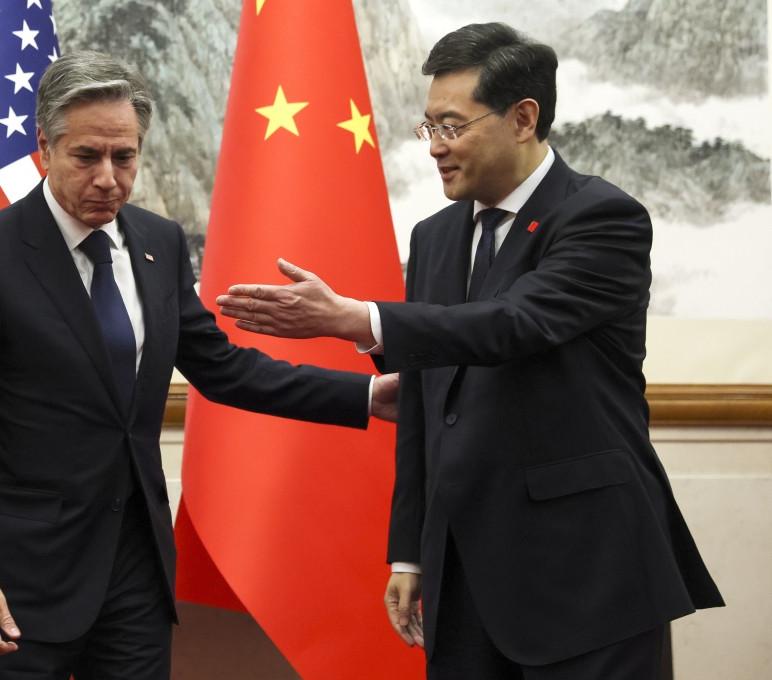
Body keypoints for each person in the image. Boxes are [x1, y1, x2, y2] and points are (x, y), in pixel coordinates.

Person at [217, 22, 723, 680]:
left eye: (451, 126)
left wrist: (359, 318)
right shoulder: (435, 237)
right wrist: (409, 553)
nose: (434, 148)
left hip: (586, 576)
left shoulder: (601, 218)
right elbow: (428, 407)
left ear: (522, 118)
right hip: (463, 581)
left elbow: (514, 323)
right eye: (428, 127)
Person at [0, 50, 397, 680]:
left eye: (124, 156)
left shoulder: (158, 243)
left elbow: (225, 369)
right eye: (87, 157)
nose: (109, 177)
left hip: (134, 567)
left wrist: (368, 395)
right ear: (45, 148)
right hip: (16, 578)